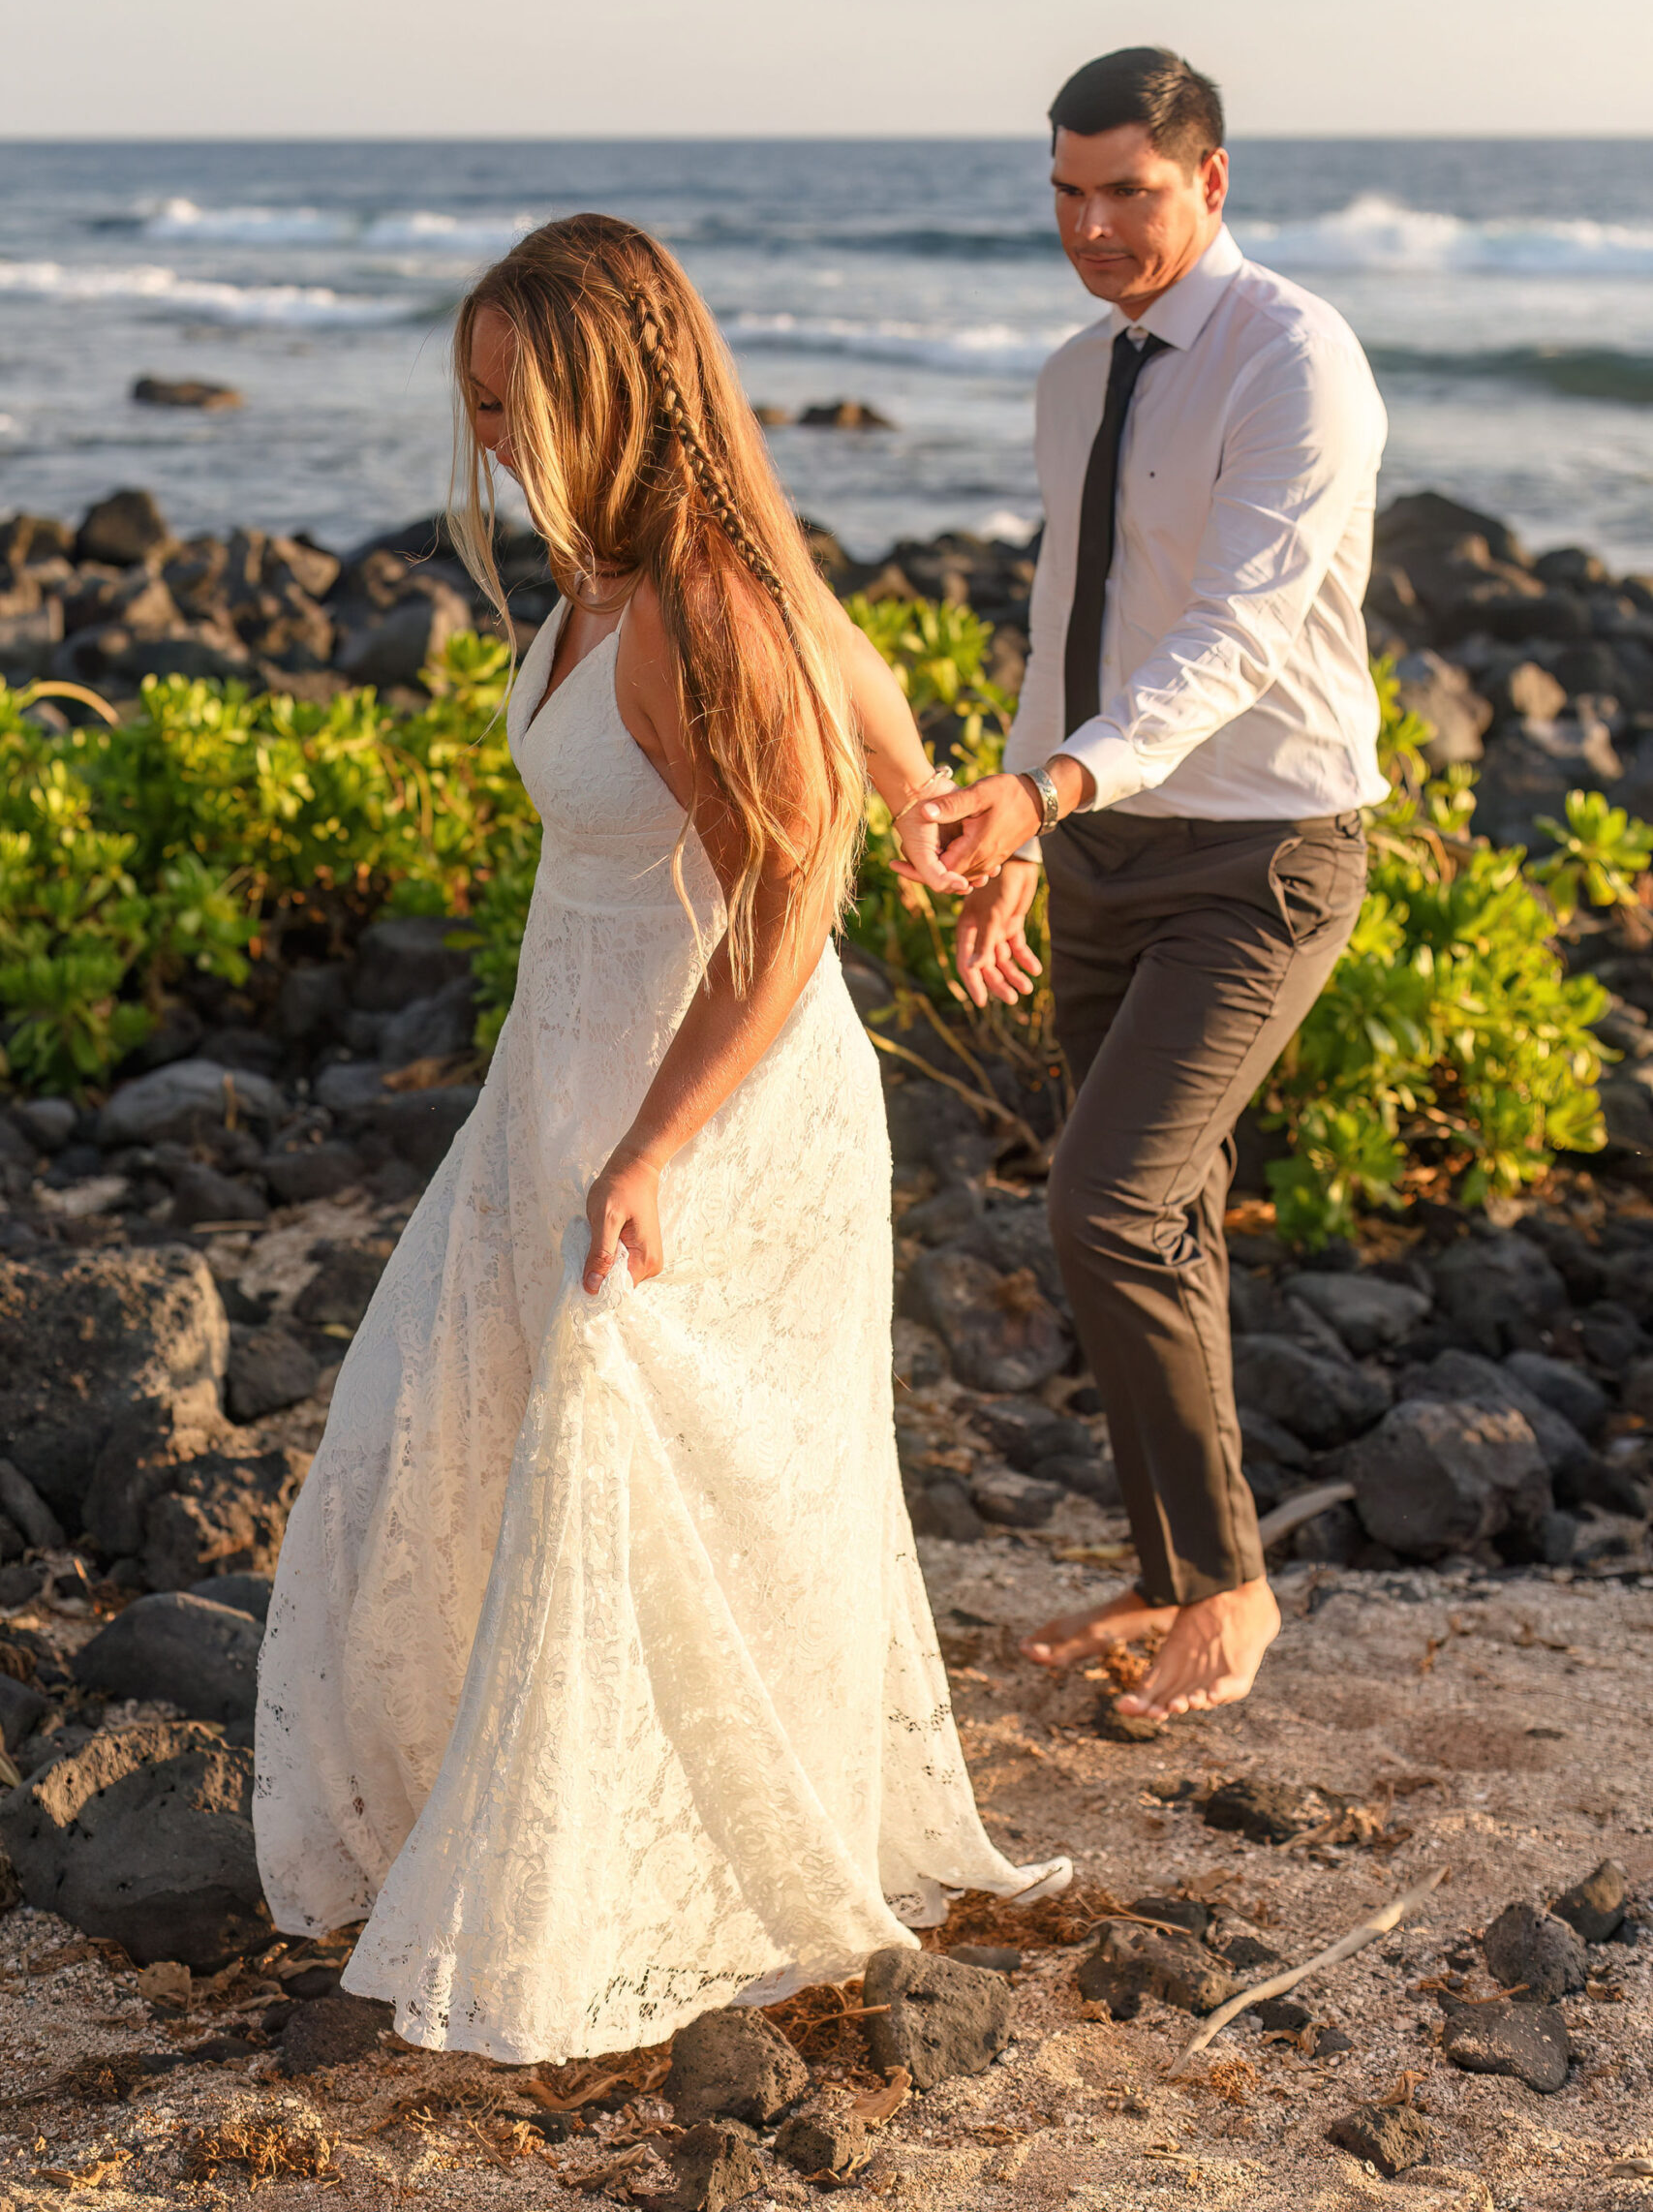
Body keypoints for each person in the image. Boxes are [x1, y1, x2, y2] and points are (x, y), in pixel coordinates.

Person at [253, 213, 1066, 2067]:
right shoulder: (607, 585)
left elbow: (789, 910)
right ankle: (563, 1840)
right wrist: (943, 807)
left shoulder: (704, 601)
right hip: (565, 1075)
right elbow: (863, 699)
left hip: (711, 1112)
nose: (490, 447)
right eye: (474, 406)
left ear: (611, 393)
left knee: (666, 1486)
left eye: (511, 405)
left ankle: (656, 1892)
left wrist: (651, 1154)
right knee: (440, 1446)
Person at [919, 48, 1387, 1724]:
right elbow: (1072, 623)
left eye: (1130, 190)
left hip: (1263, 857)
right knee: (1151, 1217)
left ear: (1213, 180)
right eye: (1068, 192)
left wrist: (1048, 784)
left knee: (1107, 1203)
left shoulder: (1294, 362)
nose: (1096, 225)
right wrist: (1030, 834)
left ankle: (1235, 1595)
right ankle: (1173, 1571)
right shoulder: (1074, 375)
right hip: (1107, 845)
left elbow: (1239, 636)